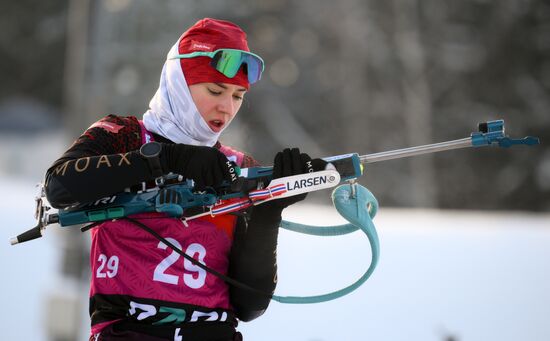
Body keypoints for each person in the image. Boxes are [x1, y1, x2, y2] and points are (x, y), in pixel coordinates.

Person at [44, 18, 325, 341]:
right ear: (178, 82)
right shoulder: (123, 135)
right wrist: (166, 158)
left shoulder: (237, 167)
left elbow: (250, 306)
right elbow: (59, 186)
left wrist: (268, 212)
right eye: (215, 90)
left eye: (238, 96)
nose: (226, 106)